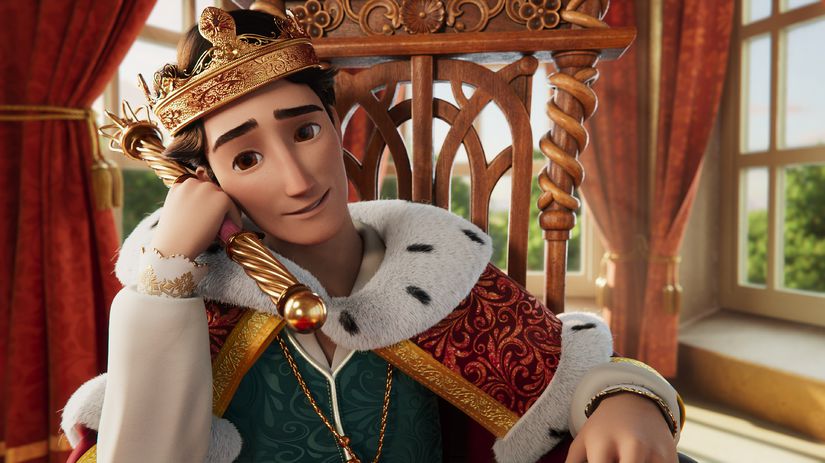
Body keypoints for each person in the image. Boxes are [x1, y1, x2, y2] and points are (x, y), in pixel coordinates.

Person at [61, 6, 684, 463]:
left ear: (336, 126)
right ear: (206, 182)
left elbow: (572, 371)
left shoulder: (437, 276)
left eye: (305, 132)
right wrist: (164, 277)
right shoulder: (201, 313)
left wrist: (625, 399)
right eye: (246, 159)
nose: (298, 179)